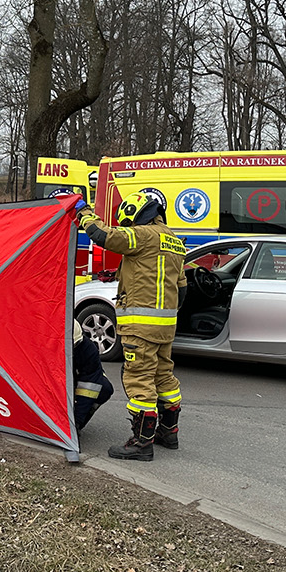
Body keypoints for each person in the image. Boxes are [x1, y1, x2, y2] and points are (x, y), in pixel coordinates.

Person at [76, 189, 187, 460]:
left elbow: (104, 236)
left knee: (139, 379)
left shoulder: (142, 234)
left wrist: (85, 214)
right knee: (164, 377)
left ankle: (141, 442)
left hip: (140, 327)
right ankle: (168, 432)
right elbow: (181, 288)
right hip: (165, 326)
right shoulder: (173, 241)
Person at [72, 318, 113, 430]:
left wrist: (77, 422)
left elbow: (89, 385)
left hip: (75, 381)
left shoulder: (88, 349)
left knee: (104, 388)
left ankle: (77, 419)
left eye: (75, 345)